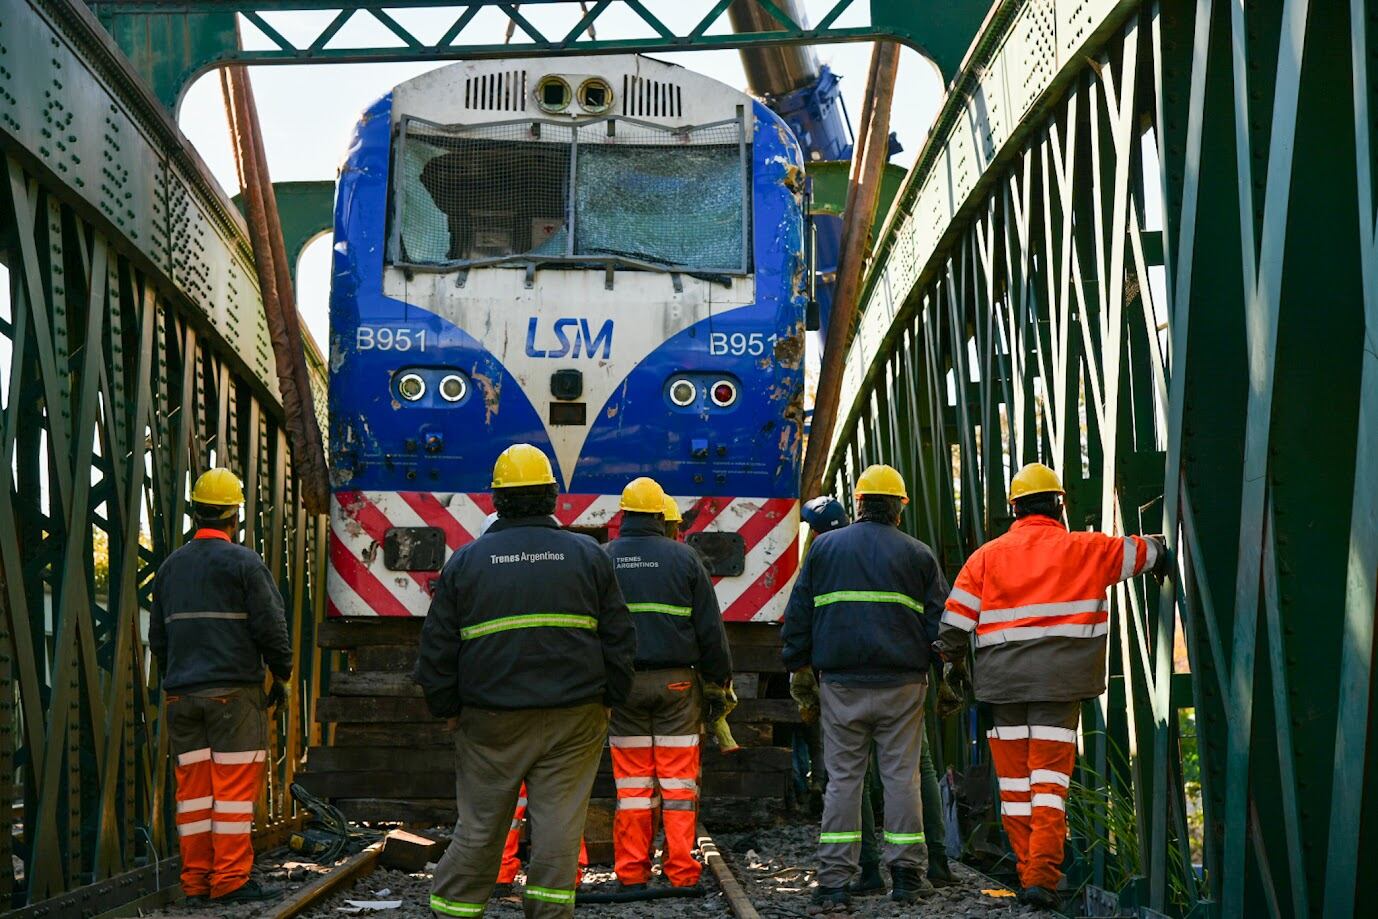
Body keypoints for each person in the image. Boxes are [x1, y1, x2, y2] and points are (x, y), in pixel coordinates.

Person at [415, 444, 636, 918]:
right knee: (559, 830)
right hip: (575, 718)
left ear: (497, 499)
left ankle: (453, 911)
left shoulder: (467, 562)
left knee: (479, 828)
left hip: (489, 718)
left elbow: (436, 650)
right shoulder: (589, 555)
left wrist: (448, 709)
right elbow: (620, 638)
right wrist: (610, 699)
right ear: (552, 497)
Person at [933, 462, 1167, 909]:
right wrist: (1159, 546)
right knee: (1048, 784)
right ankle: (1042, 877)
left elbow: (953, 627)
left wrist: (952, 666)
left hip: (1003, 691)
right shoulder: (1086, 548)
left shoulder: (986, 557)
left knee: (1017, 788)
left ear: (1014, 508)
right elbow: (1142, 554)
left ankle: (1029, 875)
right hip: (1059, 689)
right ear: (1059, 504)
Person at [781, 465, 948, 909]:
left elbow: (799, 615)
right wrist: (948, 675)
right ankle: (909, 877)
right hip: (903, 686)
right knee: (901, 779)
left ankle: (835, 882)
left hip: (841, 685)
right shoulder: (918, 555)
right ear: (900, 508)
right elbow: (940, 627)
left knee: (842, 782)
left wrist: (797, 665)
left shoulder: (825, 549)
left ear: (858, 504)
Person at [150, 467, 292, 904]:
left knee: (193, 794)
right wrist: (281, 676)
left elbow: (158, 638)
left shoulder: (171, 568)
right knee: (231, 792)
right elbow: (272, 627)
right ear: (235, 516)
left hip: (183, 696)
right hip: (233, 696)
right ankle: (229, 880)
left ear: (196, 513)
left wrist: (179, 679)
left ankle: (195, 881)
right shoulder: (245, 563)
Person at [603, 477, 732, 890]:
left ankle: (630, 873)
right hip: (677, 687)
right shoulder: (684, 558)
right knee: (677, 785)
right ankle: (680, 871)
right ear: (661, 516)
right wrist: (718, 681)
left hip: (624, 687)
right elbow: (710, 629)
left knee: (633, 787)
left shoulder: (604, 559)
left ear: (623, 514)